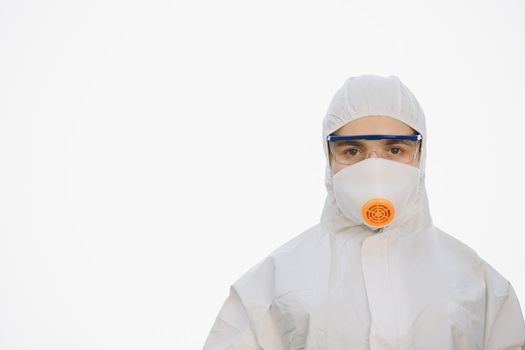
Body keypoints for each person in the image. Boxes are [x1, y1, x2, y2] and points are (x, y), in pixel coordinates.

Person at [203, 75, 525, 349]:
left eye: (395, 149)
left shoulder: (479, 285)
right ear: (328, 159)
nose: (374, 167)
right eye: (353, 150)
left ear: (421, 156)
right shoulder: (271, 285)